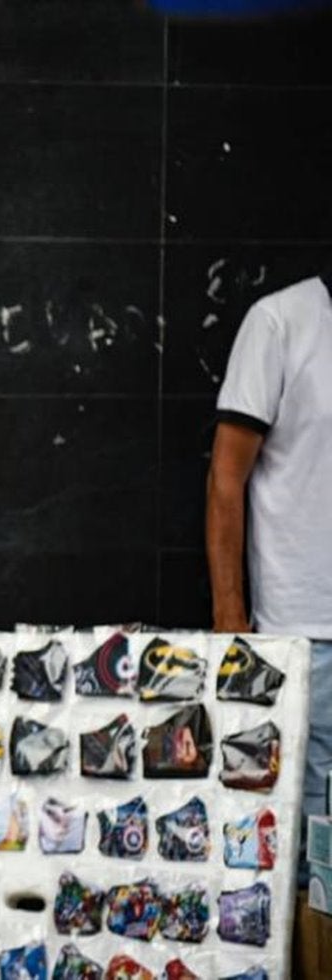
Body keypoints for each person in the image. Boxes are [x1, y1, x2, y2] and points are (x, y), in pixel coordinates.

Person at [206, 272, 332, 837]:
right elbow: (226, 479)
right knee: (311, 845)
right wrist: (232, 623)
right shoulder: (281, 321)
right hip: (305, 634)